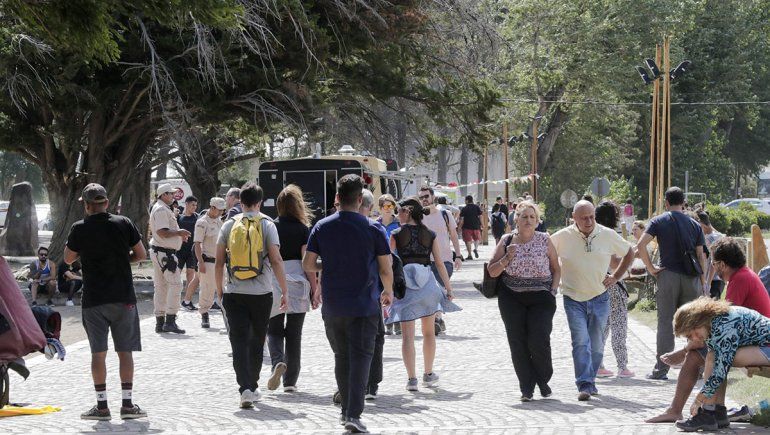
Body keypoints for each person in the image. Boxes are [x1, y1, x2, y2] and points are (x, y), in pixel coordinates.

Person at [302, 174, 394, 433]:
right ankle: (353, 413)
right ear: (360, 199)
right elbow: (385, 268)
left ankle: (345, 411)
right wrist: (388, 291)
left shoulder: (322, 226)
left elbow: (308, 264)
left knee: (341, 357)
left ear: (337, 198)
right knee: (362, 358)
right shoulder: (373, 228)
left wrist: (328, 264)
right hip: (364, 304)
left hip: (334, 304)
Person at [646, 237, 770, 425]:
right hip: (753, 342)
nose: (712, 267)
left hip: (764, 345)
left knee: (708, 356)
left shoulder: (740, 280)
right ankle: (714, 411)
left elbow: (723, 348)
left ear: (722, 264)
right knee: (712, 353)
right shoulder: (740, 277)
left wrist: (700, 398)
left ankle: (704, 412)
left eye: (714, 263)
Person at [64, 183, 148, 420]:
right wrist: (121, 258)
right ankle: (127, 405)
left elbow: (68, 258)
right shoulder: (124, 223)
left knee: (98, 354)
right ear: (107, 203)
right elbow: (141, 254)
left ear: (86, 205)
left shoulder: (79, 228)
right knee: (125, 351)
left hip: (94, 299)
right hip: (123, 297)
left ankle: (102, 408)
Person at [214, 182, 288, 409]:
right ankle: (253, 386)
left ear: (241, 202)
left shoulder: (228, 225)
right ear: (259, 202)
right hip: (261, 292)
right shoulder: (267, 224)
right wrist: (284, 291)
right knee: (257, 339)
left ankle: (244, 389)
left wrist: (219, 289)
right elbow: (276, 260)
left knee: (238, 341)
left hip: (234, 292)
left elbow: (218, 262)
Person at [551, 200, 634, 401]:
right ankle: (585, 384)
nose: (588, 221)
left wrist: (616, 276)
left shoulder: (606, 234)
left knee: (596, 345)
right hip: (573, 298)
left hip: (600, 297)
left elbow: (629, 252)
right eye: (583, 218)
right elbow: (545, 252)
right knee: (580, 341)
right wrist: (554, 277)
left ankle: (590, 380)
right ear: (574, 218)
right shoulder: (562, 237)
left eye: (591, 217)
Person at [385, 197, 461, 392]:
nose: (397, 214)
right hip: (427, 285)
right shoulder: (430, 234)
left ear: (408, 211)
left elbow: (388, 263)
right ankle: (428, 373)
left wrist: (386, 288)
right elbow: (440, 264)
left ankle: (412, 379)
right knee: (428, 333)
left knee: (407, 337)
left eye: (400, 210)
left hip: (406, 287)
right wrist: (448, 289)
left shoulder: (396, 234)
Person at [487, 201, 559, 401]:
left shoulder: (545, 239)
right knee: (517, 342)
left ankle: (542, 378)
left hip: (541, 297)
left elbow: (556, 268)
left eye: (532, 217)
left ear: (537, 221)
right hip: (512, 297)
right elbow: (492, 271)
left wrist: (553, 290)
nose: (528, 220)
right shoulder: (506, 240)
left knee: (539, 339)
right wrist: (506, 258)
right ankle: (526, 388)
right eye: (524, 216)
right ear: (516, 220)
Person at [636, 186, 707, 380]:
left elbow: (641, 245)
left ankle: (661, 369)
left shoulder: (658, 221)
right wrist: (703, 283)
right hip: (692, 278)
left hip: (667, 275)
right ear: (683, 203)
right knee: (695, 324)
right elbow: (701, 255)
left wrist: (651, 268)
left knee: (665, 323)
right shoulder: (695, 224)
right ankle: (698, 369)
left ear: (666, 203)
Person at [673, 298, 770, 432]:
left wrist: (699, 399)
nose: (694, 339)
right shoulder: (711, 324)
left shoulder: (725, 326)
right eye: (688, 337)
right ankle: (717, 412)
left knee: (716, 359)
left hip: (767, 346)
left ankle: (708, 413)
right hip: (763, 346)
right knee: (714, 356)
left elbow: (720, 370)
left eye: (691, 333)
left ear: (697, 320)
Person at [266, 185, 320, 393]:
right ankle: (290, 381)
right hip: (298, 279)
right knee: (294, 333)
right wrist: (315, 289)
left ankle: (277, 361)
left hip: (275, 279)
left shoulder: (271, 227)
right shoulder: (303, 229)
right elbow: (308, 263)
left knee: (274, 329)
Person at [594, 201, 635, 379]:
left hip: (596, 286)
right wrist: (629, 261)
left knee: (601, 328)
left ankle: (598, 364)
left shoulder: (591, 234)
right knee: (619, 326)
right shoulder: (608, 236)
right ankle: (622, 366)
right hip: (613, 286)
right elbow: (614, 263)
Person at [419, 186, 463, 335]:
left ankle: (437, 318)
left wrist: (458, 256)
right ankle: (437, 319)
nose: (424, 199)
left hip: (445, 260)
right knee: (433, 291)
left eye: (426, 196)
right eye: (421, 197)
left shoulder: (445, 214)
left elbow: (454, 236)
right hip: (426, 261)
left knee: (439, 289)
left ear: (433, 197)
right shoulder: (419, 216)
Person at [149, 183, 191, 334]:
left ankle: (160, 322)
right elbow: (162, 232)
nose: (173, 196)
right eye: (171, 194)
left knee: (161, 287)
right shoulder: (161, 209)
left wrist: (178, 236)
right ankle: (170, 321)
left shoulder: (162, 208)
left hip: (161, 252)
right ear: (164, 195)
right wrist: (179, 233)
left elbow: (164, 232)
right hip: (164, 254)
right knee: (176, 284)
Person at [193, 197, 226, 328]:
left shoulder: (220, 222)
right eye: (219, 210)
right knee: (207, 289)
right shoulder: (202, 222)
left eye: (222, 210)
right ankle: (204, 314)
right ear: (212, 208)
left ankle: (225, 314)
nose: (221, 212)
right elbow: (197, 244)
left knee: (223, 289)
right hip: (208, 261)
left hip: (220, 262)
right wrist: (200, 262)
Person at [179, 196, 200, 311]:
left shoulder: (197, 217)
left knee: (190, 276)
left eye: (196, 205)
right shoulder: (179, 218)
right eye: (192, 205)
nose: (194, 207)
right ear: (186, 204)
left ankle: (187, 301)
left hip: (192, 251)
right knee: (175, 275)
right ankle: (172, 300)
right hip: (179, 250)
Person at [697, 210, 724, 299]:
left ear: (702, 225)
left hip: (712, 281)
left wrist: (707, 284)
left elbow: (714, 261)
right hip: (718, 280)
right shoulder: (719, 236)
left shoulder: (709, 239)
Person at [458, 195, 483, 260]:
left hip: (466, 227)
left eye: (465, 200)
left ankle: (470, 255)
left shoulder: (464, 208)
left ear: (467, 200)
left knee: (468, 241)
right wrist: (482, 224)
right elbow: (480, 216)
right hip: (476, 226)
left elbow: (462, 219)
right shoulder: (477, 207)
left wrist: (459, 227)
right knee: (477, 239)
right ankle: (475, 248)